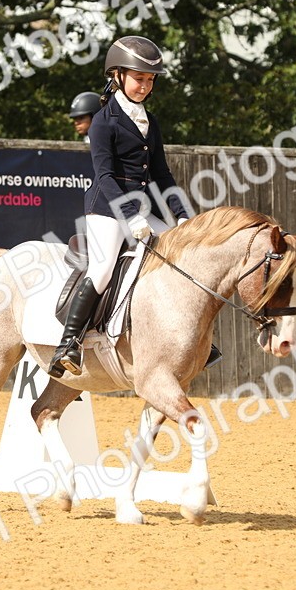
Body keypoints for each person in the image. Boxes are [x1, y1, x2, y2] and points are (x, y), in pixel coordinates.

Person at [49, 35, 200, 379]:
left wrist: (182, 215)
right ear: (117, 75)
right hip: (107, 208)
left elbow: (162, 174)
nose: (145, 86)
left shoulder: (151, 121)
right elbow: (104, 175)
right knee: (102, 269)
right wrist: (130, 216)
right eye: (139, 78)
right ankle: (68, 344)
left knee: (180, 259)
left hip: (145, 210)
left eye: (150, 80)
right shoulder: (104, 121)